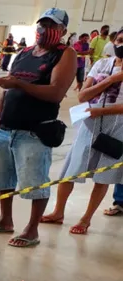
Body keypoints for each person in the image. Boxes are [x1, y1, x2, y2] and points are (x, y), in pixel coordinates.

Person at [0, 8, 76, 247]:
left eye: (51, 26)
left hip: (35, 131)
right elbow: (7, 91)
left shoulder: (66, 54)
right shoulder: (23, 53)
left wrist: (20, 84)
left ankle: (32, 229)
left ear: (63, 31)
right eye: (42, 24)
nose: (44, 30)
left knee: (36, 182)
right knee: (3, 178)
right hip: (6, 128)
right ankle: (5, 220)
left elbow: (55, 93)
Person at [40, 29, 123, 234]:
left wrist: (101, 110)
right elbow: (83, 95)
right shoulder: (102, 64)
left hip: (118, 128)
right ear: (114, 41)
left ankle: (86, 219)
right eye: (120, 40)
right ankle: (58, 211)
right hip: (89, 124)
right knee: (71, 169)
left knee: (104, 175)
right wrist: (110, 80)